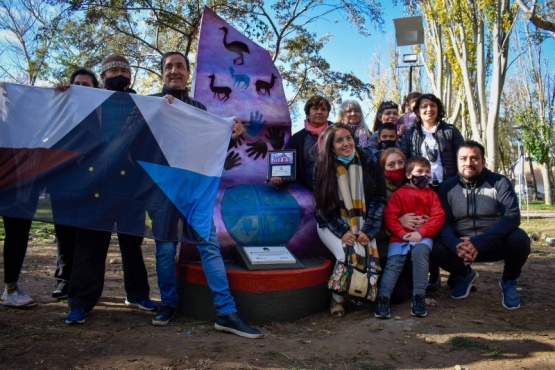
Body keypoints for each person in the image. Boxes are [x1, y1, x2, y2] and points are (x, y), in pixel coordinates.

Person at [148, 51, 261, 339]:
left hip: (195, 192)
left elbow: (210, 151)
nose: (174, 71)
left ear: (188, 73)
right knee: (164, 250)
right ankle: (168, 305)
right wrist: (158, 111)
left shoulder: (199, 109)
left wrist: (229, 134)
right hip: (162, 191)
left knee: (208, 246)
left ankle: (226, 312)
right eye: (169, 66)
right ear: (162, 73)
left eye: (180, 66)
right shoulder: (150, 104)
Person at [65, 55, 156, 324]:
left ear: (130, 76)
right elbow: (61, 118)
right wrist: (60, 94)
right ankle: (80, 302)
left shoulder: (145, 105)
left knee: (132, 244)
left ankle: (137, 294)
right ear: (102, 77)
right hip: (95, 186)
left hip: (131, 186)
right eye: (113, 70)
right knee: (90, 246)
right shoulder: (87, 105)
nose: (119, 74)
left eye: (123, 71)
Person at [432, 141, 530, 309]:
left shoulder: (500, 182)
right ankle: (464, 275)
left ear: (483, 161)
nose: (468, 163)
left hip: (492, 243)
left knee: (520, 238)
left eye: (474, 158)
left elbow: (512, 216)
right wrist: (456, 245)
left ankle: (508, 281)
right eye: (463, 158)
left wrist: (480, 242)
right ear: (457, 161)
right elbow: (443, 222)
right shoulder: (446, 187)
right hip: (461, 246)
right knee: (432, 244)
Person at [314, 123, 386, 317]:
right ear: (330, 146)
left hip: (363, 223)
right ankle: (336, 300)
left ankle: (358, 293)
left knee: (362, 248)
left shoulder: (369, 160)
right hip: (331, 224)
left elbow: (379, 199)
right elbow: (322, 209)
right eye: (339, 140)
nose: (346, 143)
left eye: (348, 138)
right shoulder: (323, 167)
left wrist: (368, 230)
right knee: (347, 252)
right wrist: (343, 232)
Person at [400, 93, 464, 292]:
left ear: (438, 108)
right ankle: (433, 275)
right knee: (427, 228)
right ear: (417, 112)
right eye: (424, 106)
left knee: (451, 228)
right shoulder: (411, 134)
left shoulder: (450, 131)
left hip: (448, 187)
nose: (429, 109)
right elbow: (405, 161)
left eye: (433, 106)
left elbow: (461, 156)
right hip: (421, 188)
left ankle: (458, 273)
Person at [375, 156, 445, 319]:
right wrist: (401, 233)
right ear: (408, 174)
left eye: (428, 172)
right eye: (419, 171)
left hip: (423, 237)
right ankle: (383, 298)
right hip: (400, 238)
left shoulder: (432, 195)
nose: (424, 176)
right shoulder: (399, 194)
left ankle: (418, 297)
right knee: (393, 265)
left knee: (421, 258)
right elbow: (389, 216)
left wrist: (421, 232)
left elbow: (438, 216)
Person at [52, 68, 99, 300]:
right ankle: (64, 280)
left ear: (96, 90)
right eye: (77, 84)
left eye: (87, 85)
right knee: (64, 235)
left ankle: (82, 284)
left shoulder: (101, 115)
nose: (81, 88)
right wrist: (58, 98)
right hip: (62, 183)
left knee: (86, 238)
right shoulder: (60, 111)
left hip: (91, 184)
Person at [270, 95, 332, 190]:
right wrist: (280, 178)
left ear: (327, 114)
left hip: (336, 188)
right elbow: (290, 166)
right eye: (315, 109)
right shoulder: (297, 138)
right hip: (309, 190)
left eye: (323, 109)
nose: (319, 112)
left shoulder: (337, 133)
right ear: (307, 114)